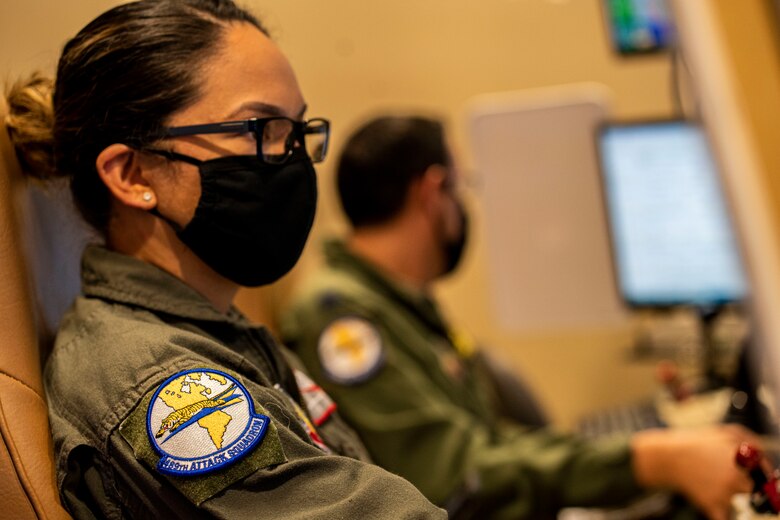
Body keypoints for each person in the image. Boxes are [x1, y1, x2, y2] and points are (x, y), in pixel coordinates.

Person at [4, 3, 445, 518]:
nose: (293, 160)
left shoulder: (221, 329)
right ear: (132, 175)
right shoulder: (164, 388)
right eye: (260, 129)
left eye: (298, 132)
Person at [280, 114, 758, 520]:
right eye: (461, 187)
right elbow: (453, 477)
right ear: (432, 191)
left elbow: (481, 439)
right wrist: (647, 460)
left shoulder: (393, 299)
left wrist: (651, 455)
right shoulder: (341, 319)